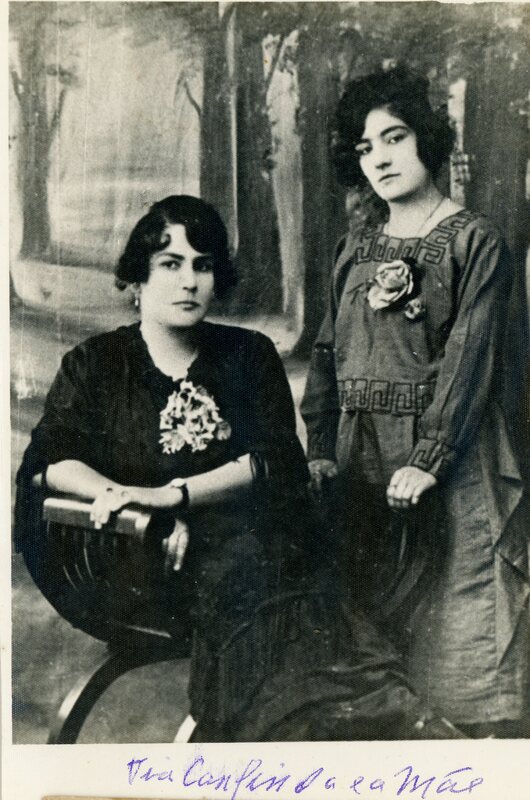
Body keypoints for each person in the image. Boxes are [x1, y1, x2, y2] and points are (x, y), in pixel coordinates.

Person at [15, 194, 464, 742]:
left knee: (293, 571)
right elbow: (50, 461)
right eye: (170, 264)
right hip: (148, 562)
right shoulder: (97, 364)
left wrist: (173, 495)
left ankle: (358, 721)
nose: (189, 282)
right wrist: (124, 497)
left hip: (256, 548)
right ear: (137, 278)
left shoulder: (247, 354)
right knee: (273, 579)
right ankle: (341, 725)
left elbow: (275, 459)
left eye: (203, 265)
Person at [301, 66, 528, 737]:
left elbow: (469, 361)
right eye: (365, 147)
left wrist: (429, 458)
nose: (380, 158)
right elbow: (327, 354)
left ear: (427, 138)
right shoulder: (355, 248)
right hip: (362, 464)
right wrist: (320, 448)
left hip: (451, 473)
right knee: (373, 661)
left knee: (457, 657)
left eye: (394, 137)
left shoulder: (475, 241)